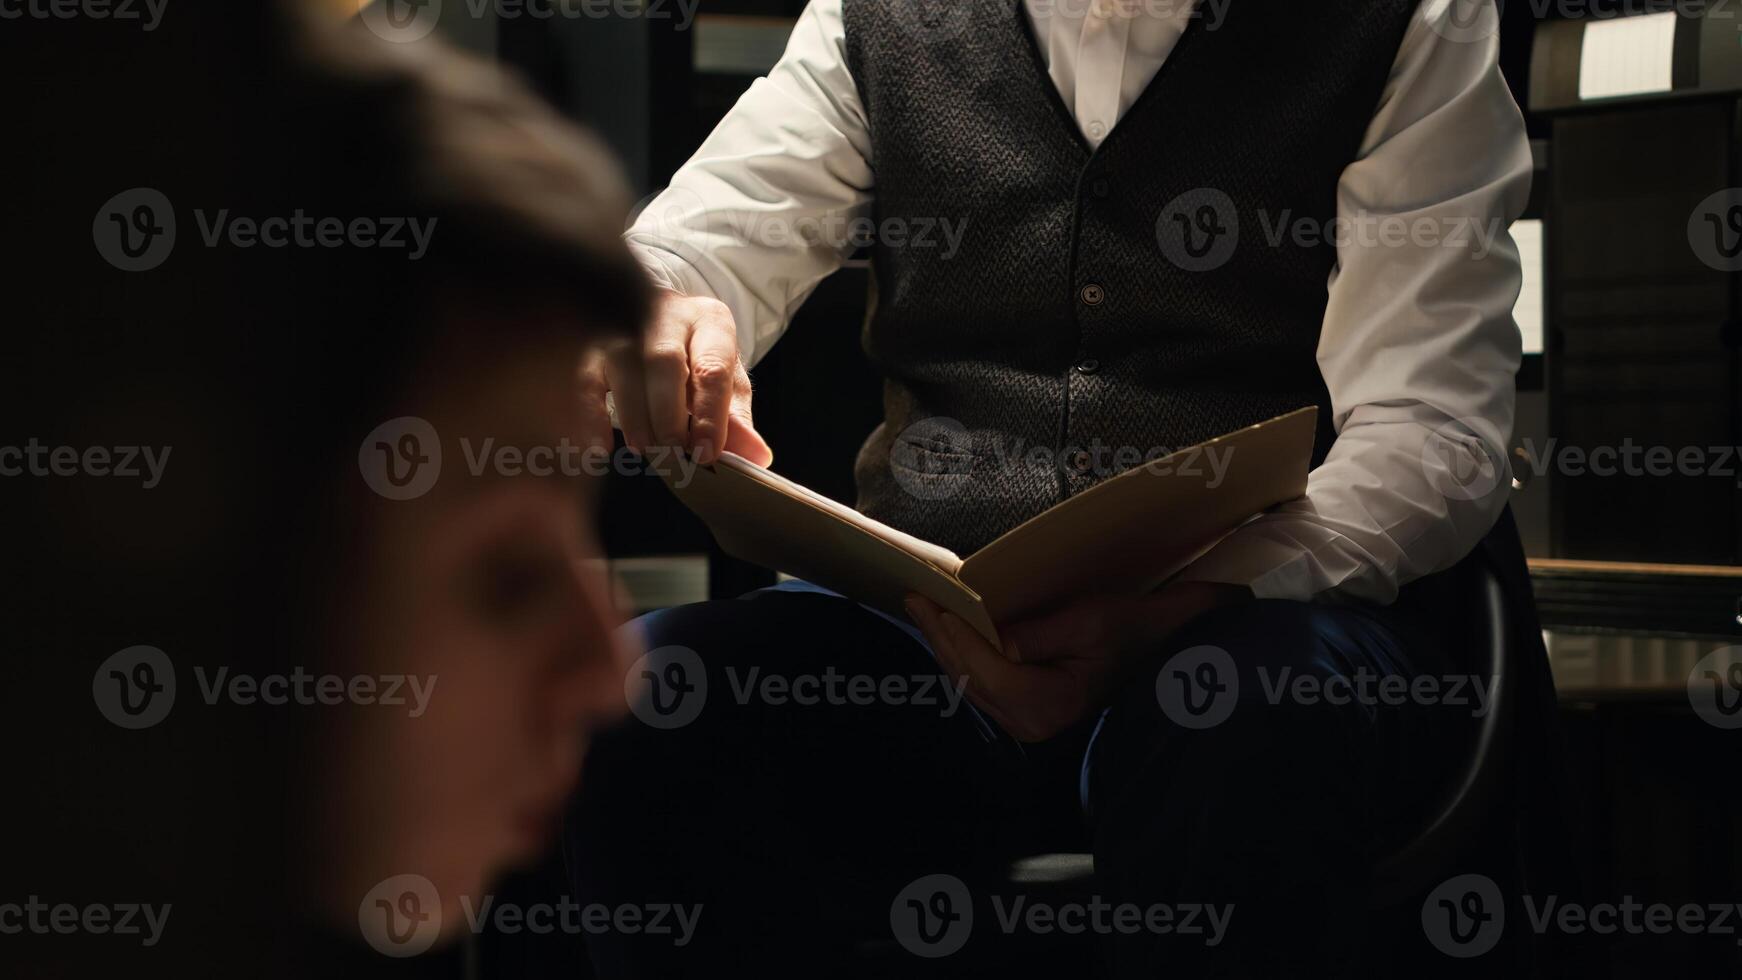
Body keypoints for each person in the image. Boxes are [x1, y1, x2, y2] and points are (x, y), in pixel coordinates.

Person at [566, 0, 1549, 975]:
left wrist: (1195, 598)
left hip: (1256, 621)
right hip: (932, 630)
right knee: (653, 699)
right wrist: (659, 308)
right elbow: (708, 234)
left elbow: (1430, 430)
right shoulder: (879, 17)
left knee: (1248, 718)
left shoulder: (1406, 21)